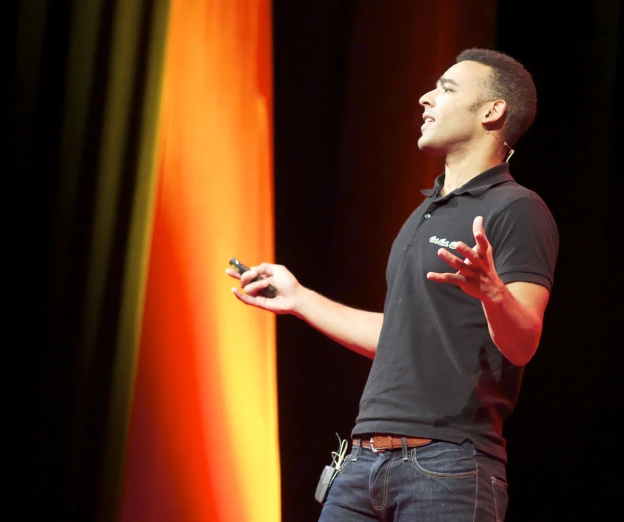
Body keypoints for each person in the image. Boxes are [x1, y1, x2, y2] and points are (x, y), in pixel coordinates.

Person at [226, 48, 559, 521]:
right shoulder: (427, 211)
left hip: (449, 466)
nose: (425, 98)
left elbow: (523, 343)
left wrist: (493, 292)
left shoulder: (517, 209)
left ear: (492, 111)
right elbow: (398, 336)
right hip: (362, 463)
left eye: (445, 89)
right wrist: (300, 299)